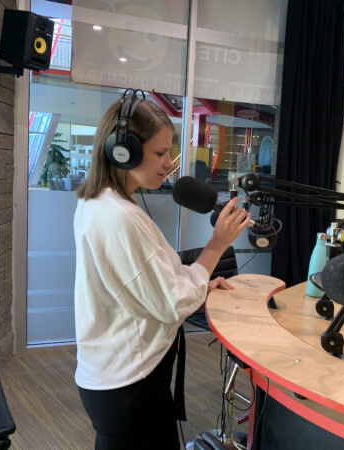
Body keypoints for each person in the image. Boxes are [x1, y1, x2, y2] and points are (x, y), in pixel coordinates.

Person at [73, 93, 251, 450]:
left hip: (120, 376)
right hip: (129, 383)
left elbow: (150, 280)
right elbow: (171, 303)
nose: (169, 163)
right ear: (122, 152)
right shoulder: (119, 218)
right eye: (159, 153)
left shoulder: (101, 202)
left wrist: (199, 285)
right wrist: (216, 246)